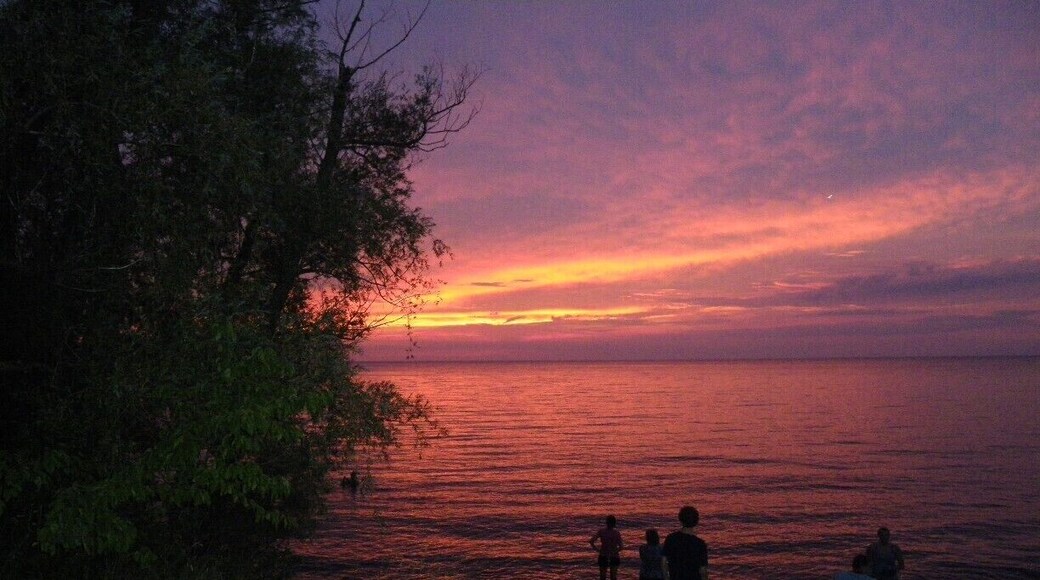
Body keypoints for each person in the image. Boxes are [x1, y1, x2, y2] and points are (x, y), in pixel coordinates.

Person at [662, 506, 708, 580]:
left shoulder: (671, 538)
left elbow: (663, 562)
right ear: (696, 521)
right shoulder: (700, 544)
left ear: (680, 519)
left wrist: (666, 578)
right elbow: (703, 571)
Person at [589, 515, 624, 580]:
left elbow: (591, 541)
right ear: (614, 523)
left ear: (606, 522)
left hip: (603, 555)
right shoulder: (616, 533)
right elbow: (621, 547)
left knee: (602, 577)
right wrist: (614, 551)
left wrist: (598, 550)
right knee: (613, 577)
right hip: (614, 556)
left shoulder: (601, 531)